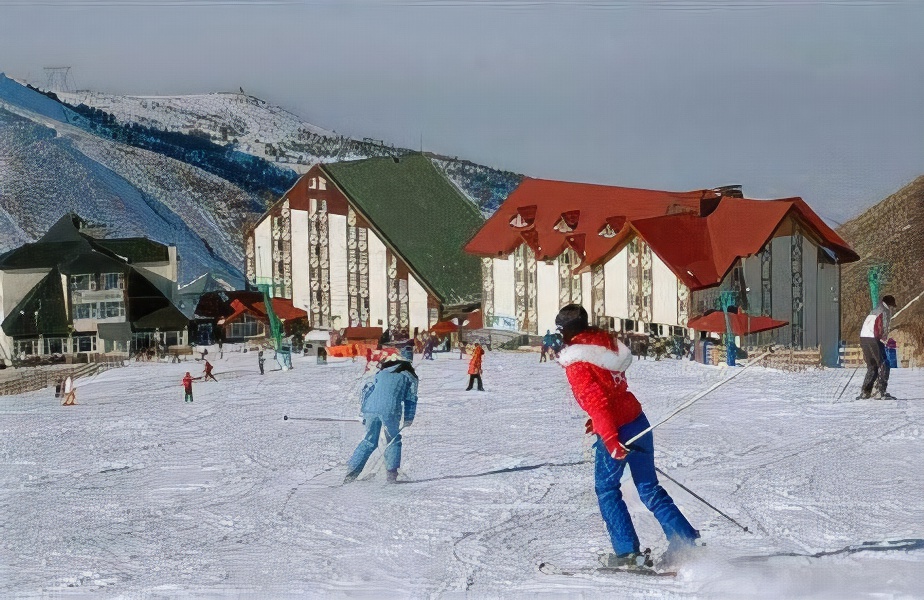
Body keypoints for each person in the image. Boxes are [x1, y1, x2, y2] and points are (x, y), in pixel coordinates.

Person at [555, 303, 699, 568]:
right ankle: (686, 542)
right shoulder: (605, 346)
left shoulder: (576, 360)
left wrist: (608, 436)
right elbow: (610, 393)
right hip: (637, 421)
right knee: (648, 487)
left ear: (566, 331)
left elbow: (596, 400)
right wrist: (598, 422)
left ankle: (627, 554)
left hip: (618, 430)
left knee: (607, 489)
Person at [344, 354, 419, 484]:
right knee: (393, 440)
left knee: (369, 441)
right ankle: (391, 475)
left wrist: (364, 412)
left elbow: (368, 390)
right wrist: (408, 418)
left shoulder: (381, 373)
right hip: (390, 409)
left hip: (370, 408)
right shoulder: (410, 377)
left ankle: (351, 473)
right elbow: (411, 399)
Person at [858, 295, 898, 400]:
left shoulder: (875, 309)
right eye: (892, 306)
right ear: (889, 304)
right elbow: (884, 326)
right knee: (884, 364)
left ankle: (865, 392)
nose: (892, 308)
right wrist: (884, 338)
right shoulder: (885, 310)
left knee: (872, 365)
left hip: (863, 338)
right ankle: (881, 392)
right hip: (873, 338)